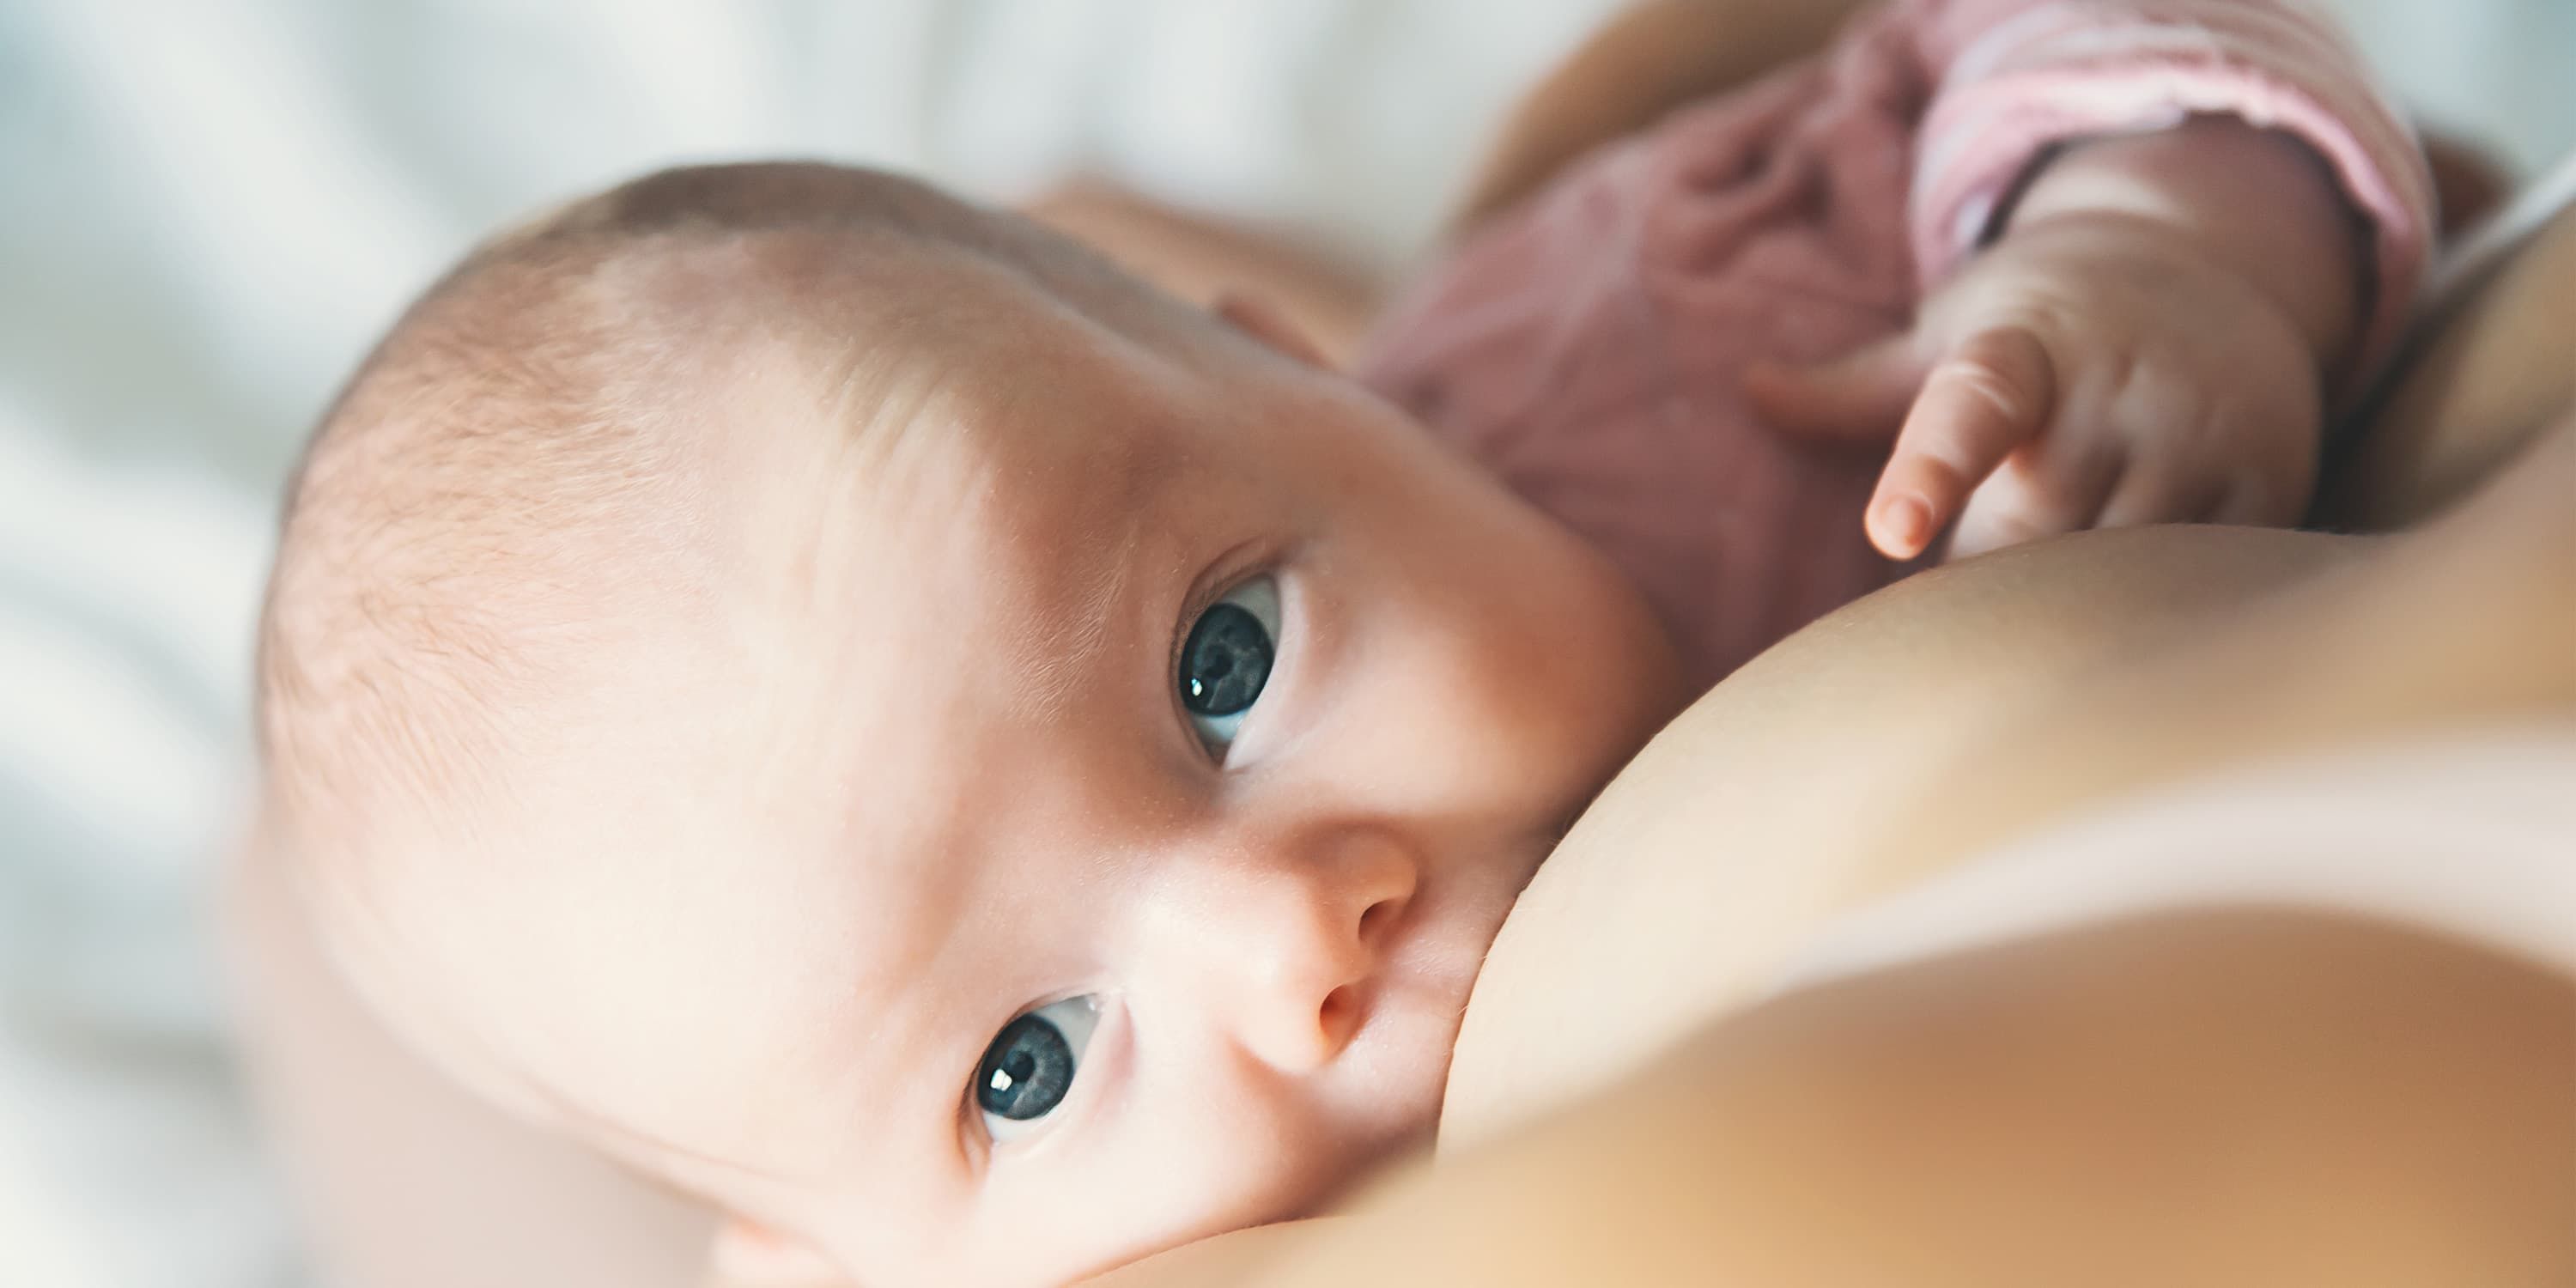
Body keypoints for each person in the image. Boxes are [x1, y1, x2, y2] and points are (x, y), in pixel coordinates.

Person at [228, 1, 2475, 1284]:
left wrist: (2150, 249)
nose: (1279, 932)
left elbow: (2020, 50)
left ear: (1319, 386)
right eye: (1028, 1062)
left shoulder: (1707, 345)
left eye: (1223, 666)